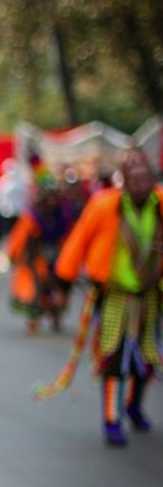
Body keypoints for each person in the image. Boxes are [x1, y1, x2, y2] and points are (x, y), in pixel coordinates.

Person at [53, 149, 162, 446]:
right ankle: (112, 420)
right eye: (134, 177)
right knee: (113, 358)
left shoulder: (161, 204)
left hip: (152, 294)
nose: (140, 183)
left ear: (153, 178)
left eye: (145, 176)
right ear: (123, 180)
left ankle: (134, 406)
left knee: (148, 358)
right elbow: (78, 243)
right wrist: (62, 286)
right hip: (115, 295)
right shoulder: (104, 206)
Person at [6, 157, 76, 333]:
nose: (52, 200)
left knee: (59, 288)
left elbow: (70, 238)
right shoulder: (31, 217)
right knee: (36, 288)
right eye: (49, 196)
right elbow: (18, 239)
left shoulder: (65, 216)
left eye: (54, 197)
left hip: (57, 257)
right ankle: (34, 318)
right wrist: (14, 256)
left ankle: (56, 316)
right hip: (36, 258)